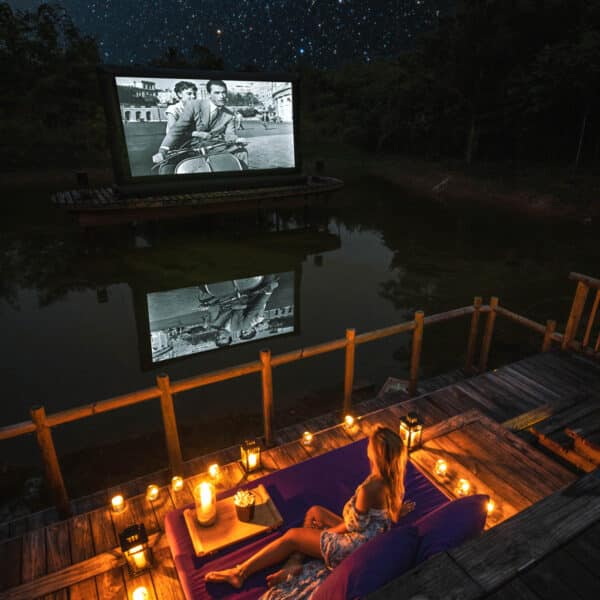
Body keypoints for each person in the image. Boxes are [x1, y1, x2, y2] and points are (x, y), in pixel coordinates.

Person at [205, 425, 411, 594]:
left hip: (354, 545)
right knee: (315, 512)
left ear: (377, 453)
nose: (367, 445)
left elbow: (351, 528)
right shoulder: (393, 482)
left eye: (370, 443)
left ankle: (240, 573)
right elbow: (378, 517)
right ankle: (295, 560)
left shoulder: (369, 490)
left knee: (294, 536)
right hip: (366, 533)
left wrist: (322, 534)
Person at [153, 79, 245, 164]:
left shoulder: (229, 114)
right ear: (209, 94)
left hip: (216, 148)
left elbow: (230, 134)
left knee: (242, 152)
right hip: (189, 149)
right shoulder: (194, 105)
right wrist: (162, 151)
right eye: (217, 93)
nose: (222, 96)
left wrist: (236, 140)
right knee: (167, 167)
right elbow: (176, 130)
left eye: (224, 92)